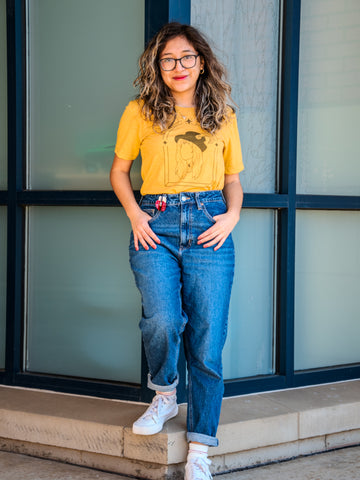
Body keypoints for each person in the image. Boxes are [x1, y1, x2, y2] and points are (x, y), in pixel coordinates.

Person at [110, 22, 244, 480]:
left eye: (187, 57)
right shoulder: (140, 111)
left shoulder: (222, 114)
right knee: (162, 320)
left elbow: (232, 181)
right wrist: (135, 215)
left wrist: (231, 216)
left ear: (201, 62)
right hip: (156, 223)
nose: (178, 66)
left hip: (211, 225)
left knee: (207, 342)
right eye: (168, 59)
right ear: (158, 66)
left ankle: (200, 450)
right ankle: (165, 395)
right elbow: (120, 171)